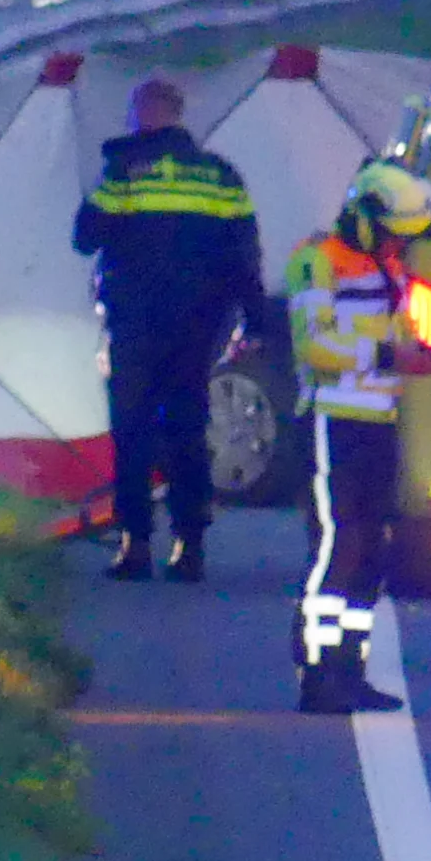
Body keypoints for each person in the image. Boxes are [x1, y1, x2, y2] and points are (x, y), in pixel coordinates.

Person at [73, 76, 261, 583]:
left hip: (135, 322)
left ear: (142, 114)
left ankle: (134, 544)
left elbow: (84, 236)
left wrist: (115, 180)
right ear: (179, 115)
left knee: (131, 430)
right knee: (187, 430)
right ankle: (190, 546)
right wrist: (256, 318)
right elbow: (244, 254)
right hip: (199, 326)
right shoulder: (220, 176)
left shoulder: (125, 172)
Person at [284, 161, 431, 714]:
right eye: (391, 237)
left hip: (380, 423)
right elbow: (315, 349)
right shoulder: (317, 261)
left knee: (374, 552)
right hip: (332, 422)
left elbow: (398, 336)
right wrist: (386, 355)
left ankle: (350, 667)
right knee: (339, 546)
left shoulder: (391, 270)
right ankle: (316, 671)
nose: (398, 248)